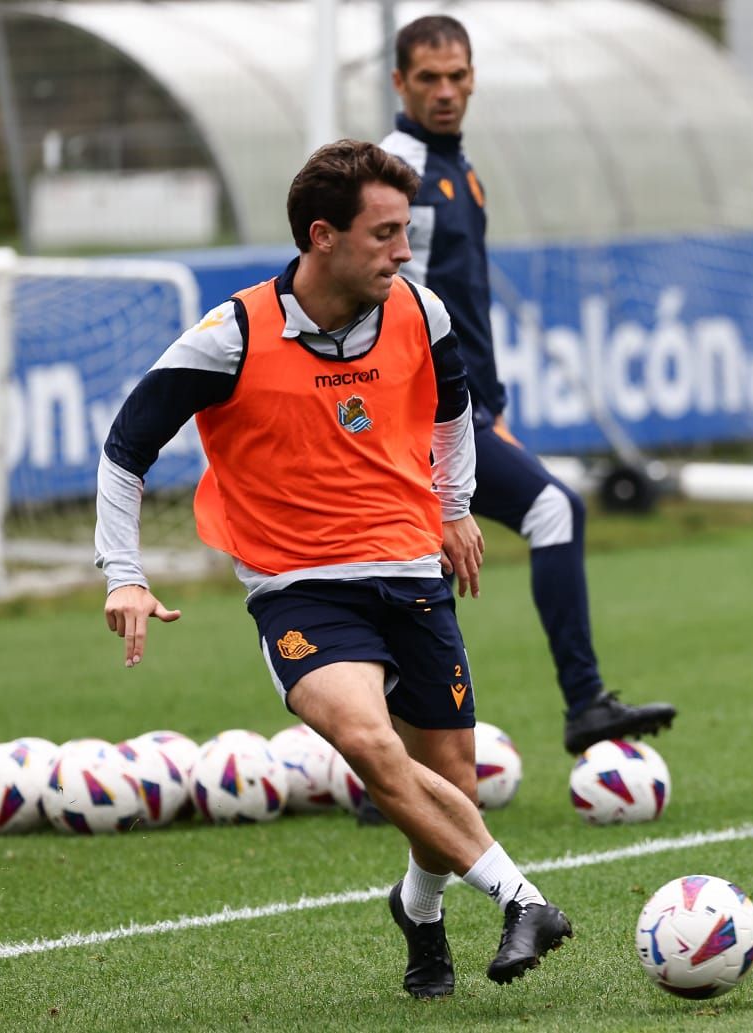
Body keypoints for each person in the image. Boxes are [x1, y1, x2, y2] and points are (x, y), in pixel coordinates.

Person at [95, 140, 572, 998]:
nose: (403, 250)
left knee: (448, 778)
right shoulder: (231, 334)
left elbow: (454, 409)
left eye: (405, 232)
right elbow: (127, 447)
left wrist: (455, 505)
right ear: (323, 236)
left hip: (411, 571)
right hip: (300, 586)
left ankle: (420, 914)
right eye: (386, 233)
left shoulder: (419, 312)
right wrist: (121, 571)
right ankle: (522, 899)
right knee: (366, 738)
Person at [379, 14, 676, 756]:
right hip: (418, 414)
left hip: (464, 409)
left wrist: (491, 409)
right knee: (539, 516)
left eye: (458, 76)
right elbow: (396, 306)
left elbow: (463, 305)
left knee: (457, 552)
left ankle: (412, 755)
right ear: (399, 83)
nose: (446, 92)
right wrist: (448, 427)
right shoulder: (400, 172)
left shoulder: (457, 166)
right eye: (429, 79)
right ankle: (571, 707)